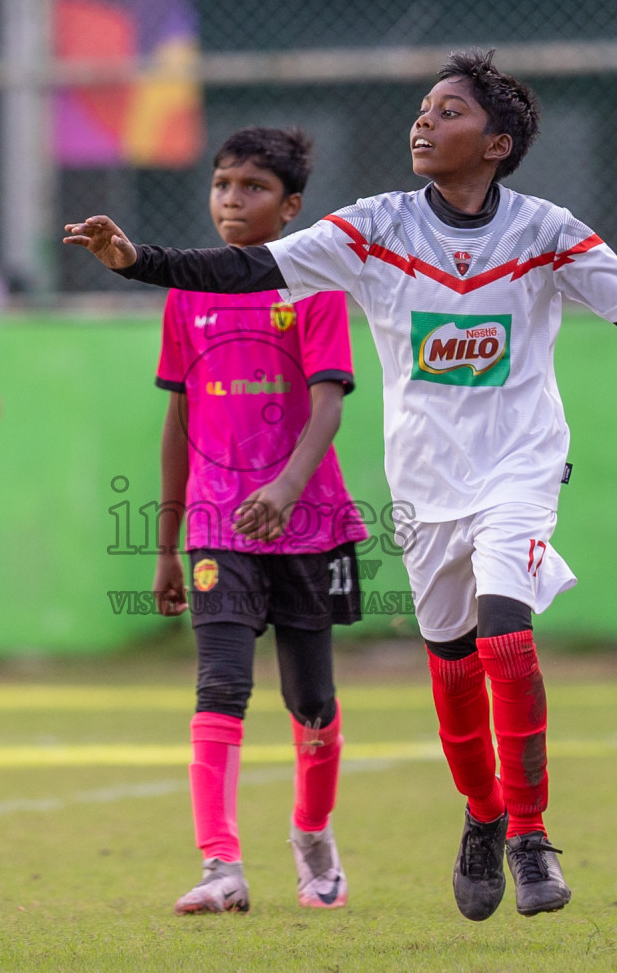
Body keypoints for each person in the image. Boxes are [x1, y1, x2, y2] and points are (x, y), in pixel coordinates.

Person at [65, 50, 617, 922]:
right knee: (450, 667)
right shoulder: (371, 227)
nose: (423, 122)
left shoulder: (547, 232)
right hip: (425, 489)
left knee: (506, 639)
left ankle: (527, 835)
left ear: (497, 142)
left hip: (518, 470)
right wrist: (134, 258)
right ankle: (480, 815)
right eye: (423, 108)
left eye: (447, 112)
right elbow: (250, 270)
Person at [154, 127, 367, 914]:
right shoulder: (187, 292)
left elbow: (328, 407)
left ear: (292, 207)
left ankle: (312, 834)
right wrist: (167, 541)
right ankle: (221, 868)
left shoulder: (312, 287)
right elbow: (176, 426)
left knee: (310, 701)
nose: (232, 201)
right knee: (219, 686)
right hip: (214, 526)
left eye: (252, 188)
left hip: (306, 524)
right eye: (221, 185)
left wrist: (283, 489)